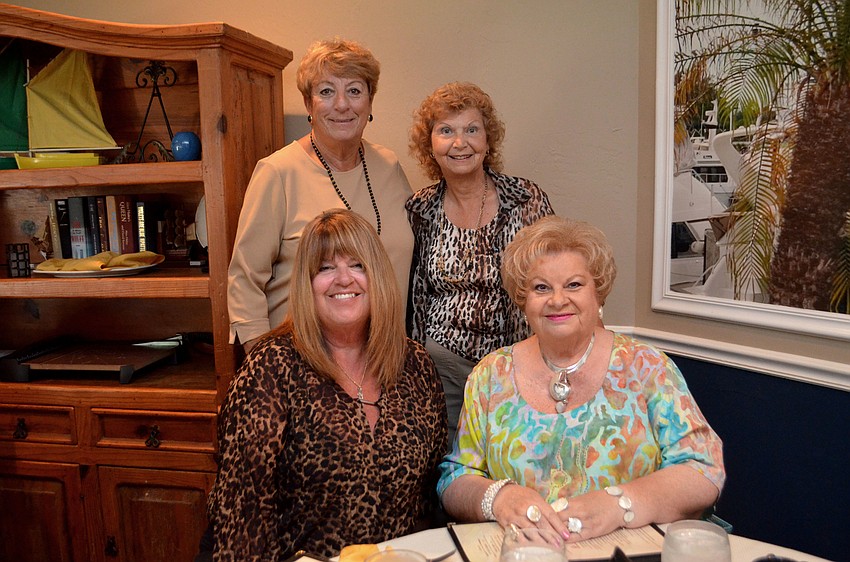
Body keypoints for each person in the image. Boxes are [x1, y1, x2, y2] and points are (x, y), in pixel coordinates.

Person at [437, 216, 725, 542]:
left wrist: (618, 504)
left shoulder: (647, 368)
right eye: (541, 287)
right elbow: (455, 478)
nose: (557, 300)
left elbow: (703, 469)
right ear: (523, 299)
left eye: (574, 284)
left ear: (598, 293)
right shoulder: (490, 375)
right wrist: (498, 498)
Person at [209, 209, 447, 560]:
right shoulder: (271, 369)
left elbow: (430, 497)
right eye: (325, 268)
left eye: (357, 265)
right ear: (307, 283)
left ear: (377, 275)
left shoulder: (415, 364)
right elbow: (241, 518)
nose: (343, 279)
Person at [228, 38, 414, 354]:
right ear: (308, 103)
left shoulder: (389, 167)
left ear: (370, 101)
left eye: (354, 90)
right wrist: (265, 368)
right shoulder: (278, 172)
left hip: (385, 359)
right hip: (304, 364)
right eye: (326, 92)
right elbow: (245, 283)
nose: (342, 104)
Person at [406, 82, 554, 445]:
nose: (460, 143)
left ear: (488, 141)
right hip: (443, 366)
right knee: (451, 467)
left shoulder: (525, 199)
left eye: (472, 129)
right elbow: (415, 295)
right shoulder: (419, 210)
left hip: (518, 362)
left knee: (514, 456)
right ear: (431, 146)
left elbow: (557, 275)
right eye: (446, 131)